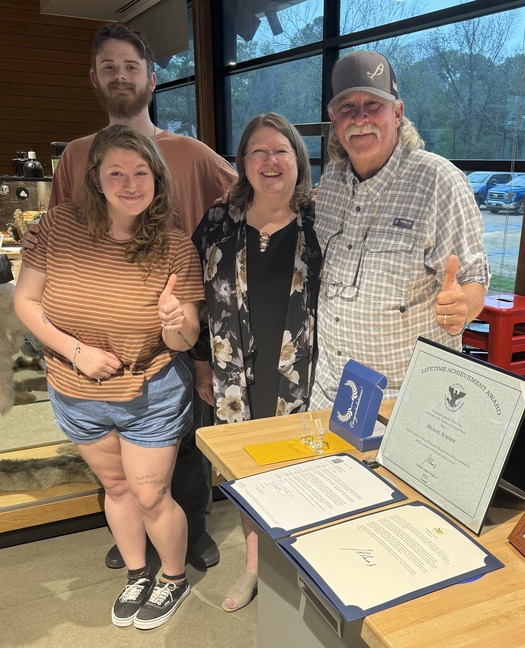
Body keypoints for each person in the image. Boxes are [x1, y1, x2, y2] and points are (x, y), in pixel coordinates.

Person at [23, 22, 238, 571]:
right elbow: (70, 227)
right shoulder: (77, 154)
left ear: (152, 78)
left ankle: (188, 531)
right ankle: (140, 538)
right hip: (95, 342)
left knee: (181, 439)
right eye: (109, 67)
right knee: (121, 466)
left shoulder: (190, 152)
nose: (121, 77)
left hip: (174, 316)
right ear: (94, 77)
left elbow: (248, 193)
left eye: (131, 67)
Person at [14, 124, 204, 629]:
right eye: (116, 172)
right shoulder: (57, 227)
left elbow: (186, 339)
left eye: (141, 172)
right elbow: (25, 302)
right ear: (95, 177)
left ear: (156, 180)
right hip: (75, 390)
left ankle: (172, 577)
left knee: (149, 495)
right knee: (117, 490)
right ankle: (137, 573)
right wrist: (77, 352)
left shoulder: (174, 246)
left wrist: (174, 322)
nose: (130, 184)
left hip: (150, 389)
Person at [191, 112, 321, 612]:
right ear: (242, 163)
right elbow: (193, 295)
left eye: (281, 150)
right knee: (246, 472)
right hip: (233, 371)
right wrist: (201, 362)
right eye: (257, 152)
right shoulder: (219, 221)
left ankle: (292, 564)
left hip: (303, 372)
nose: (270, 161)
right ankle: (253, 566)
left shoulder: (319, 219)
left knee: (298, 467)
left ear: (297, 160)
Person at [310, 50, 490, 408]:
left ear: (398, 112)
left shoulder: (438, 181)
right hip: (330, 392)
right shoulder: (330, 180)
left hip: (405, 402)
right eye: (347, 107)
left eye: (373, 104)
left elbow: (473, 278)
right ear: (334, 118)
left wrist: (463, 306)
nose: (359, 118)